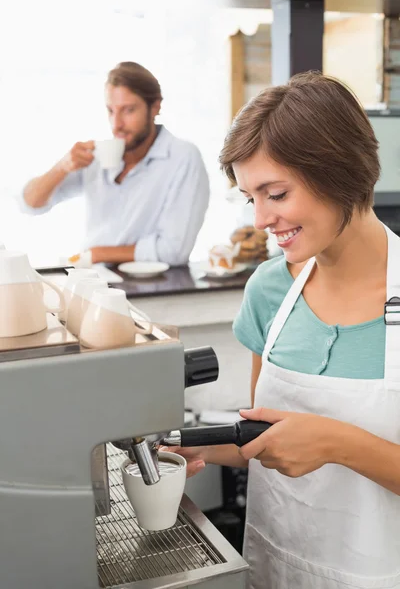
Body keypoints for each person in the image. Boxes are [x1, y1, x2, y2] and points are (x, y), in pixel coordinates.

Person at [163, 72, 400, 588]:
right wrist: (187, 445)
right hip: (280, 568)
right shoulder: (269, 288)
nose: (261, 218)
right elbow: (260, 438)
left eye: (275, 193)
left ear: (339, 171)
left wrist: (337, 442)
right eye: (250, 197)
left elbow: (324, 444)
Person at [20, 62, 209, 266]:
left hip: (151, 289)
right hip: (95, 280)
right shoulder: (98, 156)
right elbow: (30, 204)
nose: (116, 124)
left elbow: (173, 251)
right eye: (111, 111)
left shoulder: (183, 158)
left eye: (128, 110)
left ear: (155, 107)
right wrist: (61, 167)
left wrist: (97, 253)